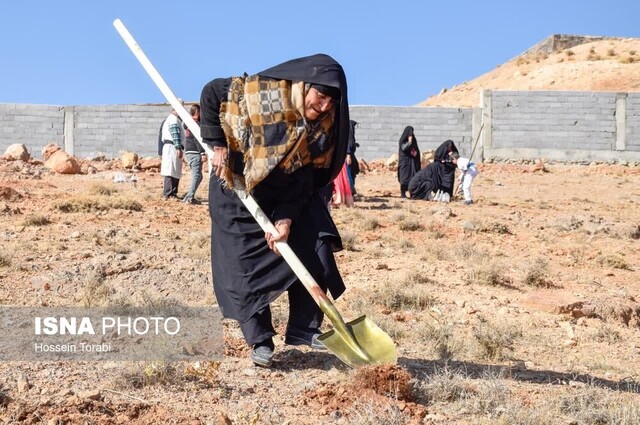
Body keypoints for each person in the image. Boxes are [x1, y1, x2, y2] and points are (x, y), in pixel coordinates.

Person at [199, 54, 349, 368]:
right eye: (319, 97)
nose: (323, 107)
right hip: (237, 186)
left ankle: (304, 329)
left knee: (313, 240)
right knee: (243, 268)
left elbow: (306, 176)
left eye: (330, 103)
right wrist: (218, 144)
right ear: (305, 86)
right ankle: (260, 341)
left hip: (285, 190)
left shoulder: (323, 125)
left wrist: (286, 217)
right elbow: (212, 92)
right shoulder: (263, 93)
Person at [160, 100, 185, 200]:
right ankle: (168, 193)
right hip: (172, 146)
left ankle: (173, 193)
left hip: (174, 147)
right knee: (170, 170)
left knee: (175, 170)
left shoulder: (176, 119)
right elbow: (175, 133)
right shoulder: (173, 119)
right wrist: (178, 147)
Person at [182, 104, 206, 205]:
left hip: (189, 152)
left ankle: (189, 196)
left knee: (199, 176)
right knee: (196, 175)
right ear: (197, 112)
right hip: (194, 152)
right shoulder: (195, 124)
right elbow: (197, 140)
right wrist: (202, 153)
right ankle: (189, 198)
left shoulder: (188, 123)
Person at [397, 126, 420, 198]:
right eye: (409, 134)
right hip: (405, 163)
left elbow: (416, 150)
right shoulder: (402, 141)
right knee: (404, 178)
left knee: (413, 178)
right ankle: (403, 194)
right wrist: (409, 142)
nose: (411, 136)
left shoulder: (414, 141)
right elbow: (404, 148)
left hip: (413, 163)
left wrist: (415, 153)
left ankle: (412, 194)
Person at [345, 120, 360, 196]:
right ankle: (350, 190)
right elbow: (348, 143)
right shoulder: (348, 131)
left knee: (352, 171)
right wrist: (348, 154)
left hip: (350, 154)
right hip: (348, 155)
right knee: (349, 172)